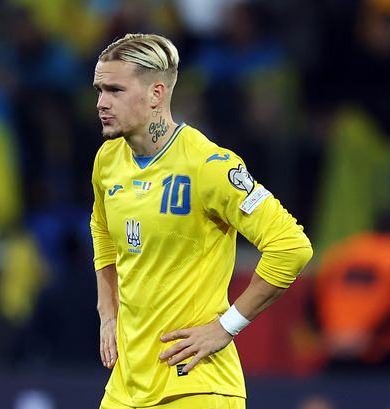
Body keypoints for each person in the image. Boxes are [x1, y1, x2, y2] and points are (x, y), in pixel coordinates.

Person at [89, 33, 313, 408]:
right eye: (99, 90)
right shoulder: (108, 160)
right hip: (125, 388)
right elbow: (102, 227)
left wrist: (226, 327)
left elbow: (291, 247)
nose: (101, 103)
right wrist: (107, 310)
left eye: (114, 90)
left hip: (194, 384)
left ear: (156, 94)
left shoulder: (209, 166)